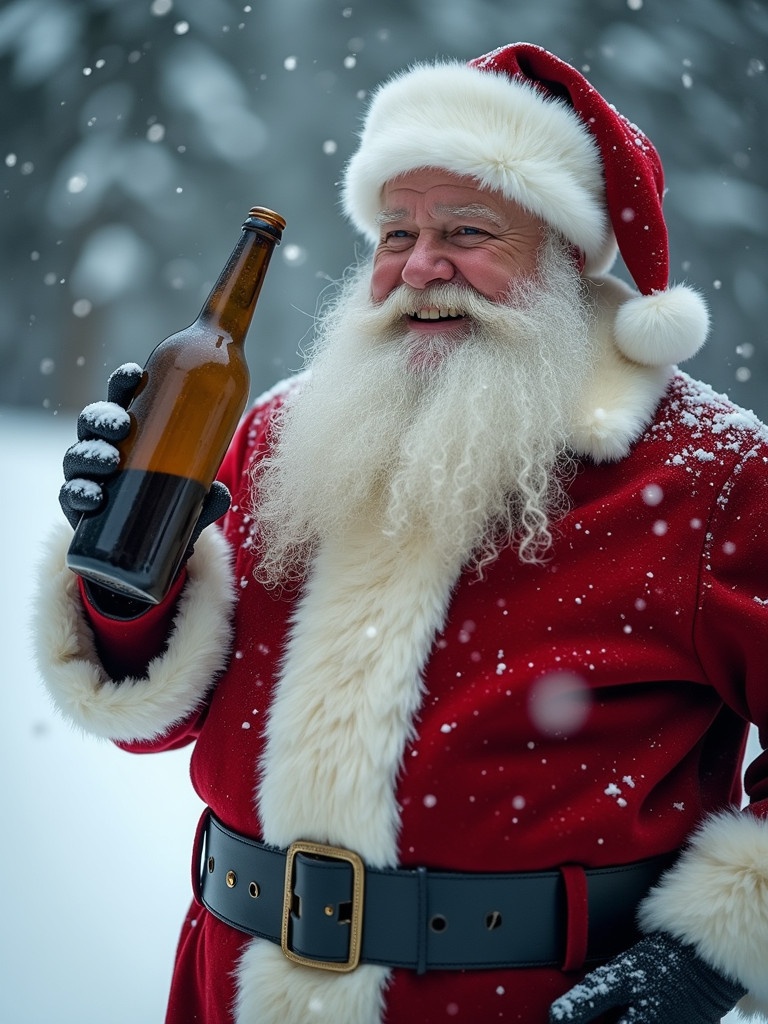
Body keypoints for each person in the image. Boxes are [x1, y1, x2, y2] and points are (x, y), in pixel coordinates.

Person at [33, 41, 768, 1024]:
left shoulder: (707, 474)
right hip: (230, 986)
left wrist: (711, 952)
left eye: (467, 231)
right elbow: (163, 710)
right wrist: (122, 594)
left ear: (565, 255)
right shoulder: (288, 433)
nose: (421, 266)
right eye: (395, 233)